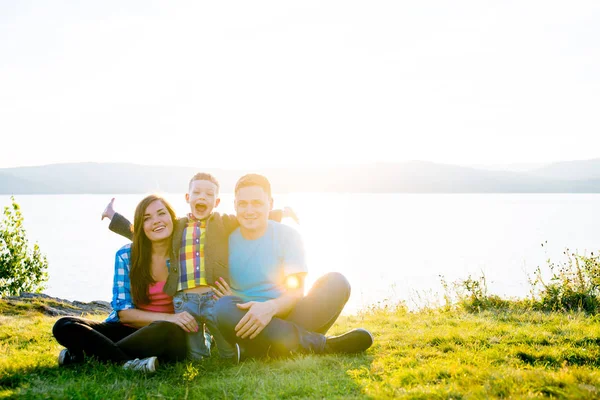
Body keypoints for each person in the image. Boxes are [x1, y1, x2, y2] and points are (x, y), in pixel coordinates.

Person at [102, 172, 297, 361]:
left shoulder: (223, 223)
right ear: (188, 197)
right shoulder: (177, 227)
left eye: (209, 194)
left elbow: (249, 217)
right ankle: (199, 354)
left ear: (217, 202)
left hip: (213, 297)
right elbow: (142, 234)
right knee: (193, 349)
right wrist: (113, 217)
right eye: (197, 193)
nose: (202, 197)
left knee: (224, 343)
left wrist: (281, 213)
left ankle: (232, 353)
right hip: (185, 299)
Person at [213, 174, 374, 359]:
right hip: (247, 321)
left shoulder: (288, 236)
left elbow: (296, 292)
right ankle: (322, 345)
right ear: (234, 205)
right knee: (223, 307)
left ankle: (266, 349)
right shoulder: (225, 240)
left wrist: (270, 308)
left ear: (270, 204)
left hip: (290, 314)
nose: (249, 210)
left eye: (257, 203)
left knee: (337, 282)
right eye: (243, 204)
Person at [53, 195, 197, 373]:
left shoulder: (187, 253)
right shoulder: (126, 255)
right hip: (129, 329)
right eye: (147, 218)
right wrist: (170, 317)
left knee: (167, 330)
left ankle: (90, 354)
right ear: (140, 227)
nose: (156, 221)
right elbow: (125, 315)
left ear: (172, 218)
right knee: (64, 325)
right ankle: (126, 363)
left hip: (165, 332)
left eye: (161, 213)